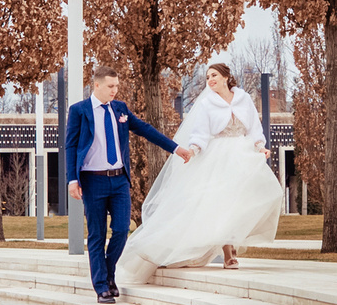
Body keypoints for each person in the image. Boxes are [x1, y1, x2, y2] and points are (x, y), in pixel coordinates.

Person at [117, 61, 283, 289]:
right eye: (208, 77)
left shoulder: (244, 99)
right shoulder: (207, 104)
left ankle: (233, 242)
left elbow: (254, 127)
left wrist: (260, 146)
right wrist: (193, 150)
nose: (210, 80)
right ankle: (229, 252)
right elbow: (200, 133)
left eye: (214, 75)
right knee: (222, 203)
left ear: (226, 77)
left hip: (243, 154)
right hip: (218, 156)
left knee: (250, 199)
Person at [65, 67, 188, 304]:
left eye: (117, 86)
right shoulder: (79, 110)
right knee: (97, 235)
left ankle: (108, 273)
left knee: (122, 230)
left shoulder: (120, 108)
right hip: (93, 180)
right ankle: (102, 286)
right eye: (110, 86)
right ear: (97, 85)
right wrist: (72, 179)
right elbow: (70, 146)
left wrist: (175, 148)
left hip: (120, 179)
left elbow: (145, 129)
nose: (115, 90)